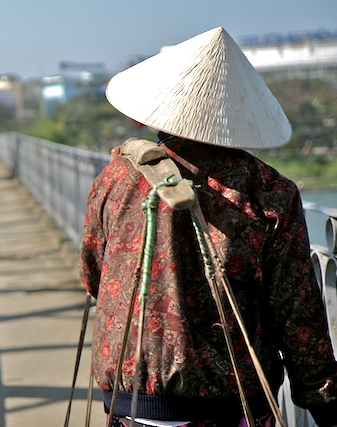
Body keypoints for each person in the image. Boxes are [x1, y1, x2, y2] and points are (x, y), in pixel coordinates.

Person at [79, 27, 337, 427]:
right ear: (242, 116)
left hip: (132, 395)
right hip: (232, 402)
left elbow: (94, 275)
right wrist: (324, 399)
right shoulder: (268, 191)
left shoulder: (115, 178)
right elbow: (296, 313)